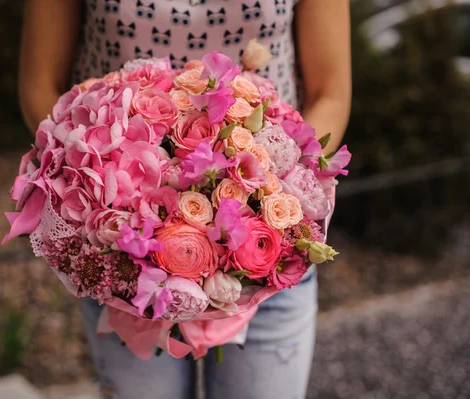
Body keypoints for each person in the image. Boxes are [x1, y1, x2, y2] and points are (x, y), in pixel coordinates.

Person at [18, 1, 351, 398]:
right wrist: (106, 199)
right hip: (124, 261)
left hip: (266, 248)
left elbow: (329, 91)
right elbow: (40, 84)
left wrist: (270, 192)